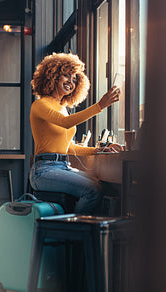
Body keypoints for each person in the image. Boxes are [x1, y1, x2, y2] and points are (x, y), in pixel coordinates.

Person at [29, 53, 123, 214]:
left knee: (102, 186)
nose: (71, 82)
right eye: (66, 75)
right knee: (92, 190)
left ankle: (84, 232)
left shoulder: (63, 109)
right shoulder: (40, 105)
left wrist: (97, 150)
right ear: (52, 76)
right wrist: (99, 106)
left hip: (63, 166)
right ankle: (74, 232)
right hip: (43, 170)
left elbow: (68, 147)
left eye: (74, 79)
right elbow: (66, 123)